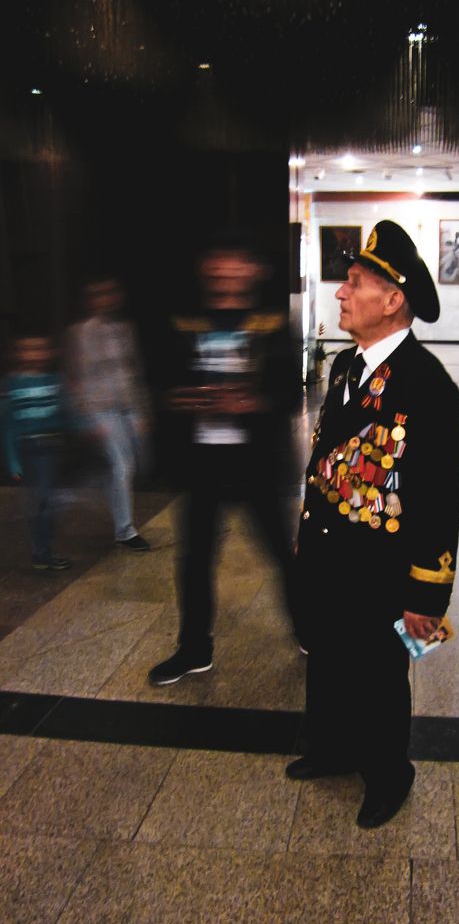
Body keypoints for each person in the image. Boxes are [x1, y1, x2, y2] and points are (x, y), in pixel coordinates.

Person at [286, 220, 459, 830]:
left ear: (392, 301)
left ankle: (389, 775)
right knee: (330, 658)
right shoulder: (343, 368)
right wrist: (306, 532)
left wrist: (427, 593)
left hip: (383, 567)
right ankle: (333, 749)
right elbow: (323, 462)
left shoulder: (427, 385)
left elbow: (442, 498)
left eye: (353, 283)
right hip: (332, 555)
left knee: (378, 675)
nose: (340, 293)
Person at [148, 237, 299, 686]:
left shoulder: (272, 325)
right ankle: (194, 648)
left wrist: (252, 403)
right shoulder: (182, 323)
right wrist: (182, 398)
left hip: (258, 463)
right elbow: (159, 384)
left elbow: (291, 394)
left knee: (282, 555)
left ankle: (308, 631)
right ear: (205, 268)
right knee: (194, 559)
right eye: (219, 262)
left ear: (255, 270)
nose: (227, 270)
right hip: (201, 463)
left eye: (238, 263)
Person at [66, 276, 151, 550]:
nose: (106, 299)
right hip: (100, 408)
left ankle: (81, 491)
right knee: (122, 466)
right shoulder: (80, 332)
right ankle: (125, 530)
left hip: (126, 405)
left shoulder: (125, 328)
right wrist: (86, 416)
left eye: (110, 293)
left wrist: (141, 410)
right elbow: (76, 377)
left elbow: (133, 370)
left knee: (133, 465)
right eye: (98, 293)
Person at [1, 333, 72, 570]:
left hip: (51, 447)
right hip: (28, 448)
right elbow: (8, 426)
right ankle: (41, 552)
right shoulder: (12, 384)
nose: (35, 354)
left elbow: (65, 414)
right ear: (17, 354)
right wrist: (13, 463)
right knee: (41, 499)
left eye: (40, 349)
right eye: (28, 349)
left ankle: (43, 550)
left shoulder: (55, 380)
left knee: (46, 500)